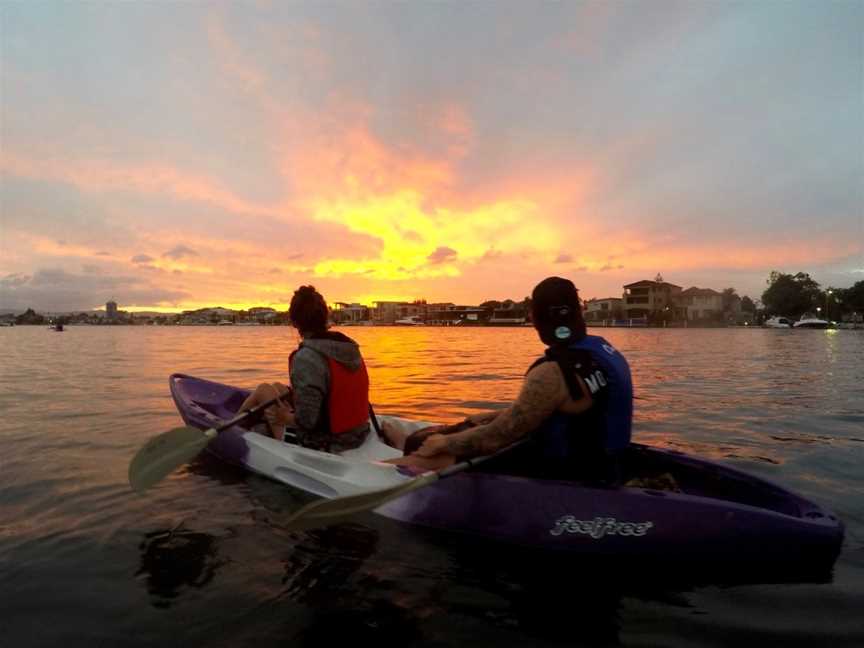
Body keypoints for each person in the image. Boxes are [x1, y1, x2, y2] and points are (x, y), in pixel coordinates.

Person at [392, 276, 633, 483]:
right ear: (579, 311)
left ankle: (376, 470)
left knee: (428, 453)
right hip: (610, 464)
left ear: (536, 318)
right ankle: (401, 442)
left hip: (571, 475)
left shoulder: (552, 373)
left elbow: (499, 436)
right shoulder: (604, 351)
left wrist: (446, 443)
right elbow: (550, 409)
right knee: (452, 431)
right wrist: (490, 416)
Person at [237, 285, 372, 453]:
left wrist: (285, 418)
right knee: (278, 388)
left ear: (294, 322)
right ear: (325, 317)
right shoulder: (349, 348)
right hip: (358, 433)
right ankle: (240, 422)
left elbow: (307, 422)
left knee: (264, 390)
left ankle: (230, 428)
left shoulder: (307, 358)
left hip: (325, 443)